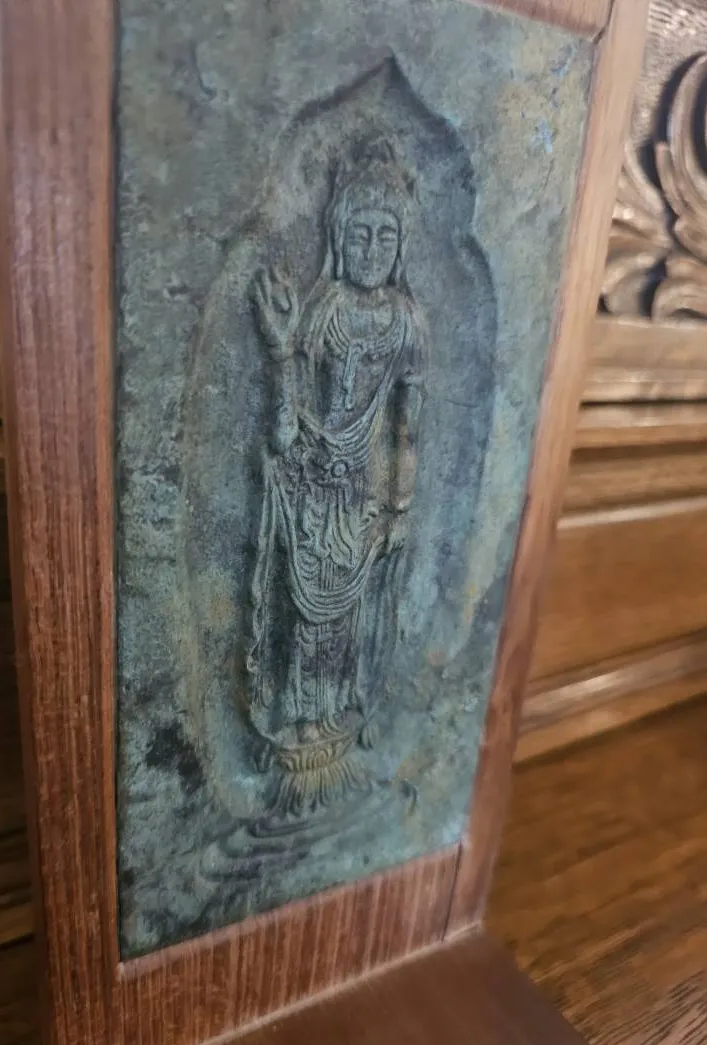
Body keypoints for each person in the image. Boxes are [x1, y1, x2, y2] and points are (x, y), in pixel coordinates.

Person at [248, 136, 426, 819]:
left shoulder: (407, 323)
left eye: (387, 235)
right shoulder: (322, 314)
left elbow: (408, 427)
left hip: (365, 503)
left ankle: (336, 731)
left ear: (402, 245)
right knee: (306, 621)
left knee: (347, 625)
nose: (373, 249)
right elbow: (287, 431)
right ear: (337, 238)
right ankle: (300, 729)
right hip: (314, 491)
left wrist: (400, 507)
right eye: (360, 234)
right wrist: (282, 351)